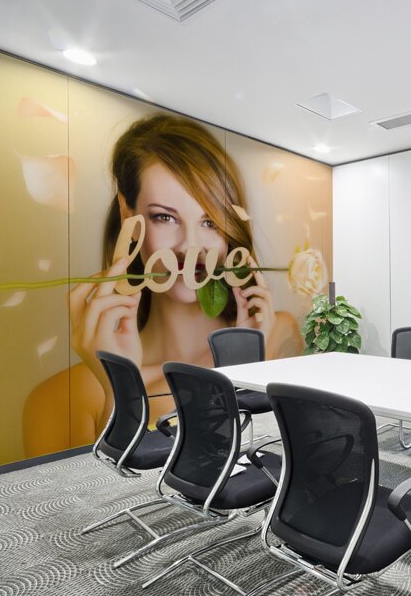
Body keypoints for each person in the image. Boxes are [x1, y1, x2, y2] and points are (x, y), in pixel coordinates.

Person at [23, 114, 301, 457]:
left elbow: (280, 456)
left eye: (210, 221)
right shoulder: (58, 400)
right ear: (127, 214)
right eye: (165, 217)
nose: (190, 245)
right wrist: (118, 389)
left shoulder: (276, 334)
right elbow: (96, 490)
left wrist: (245, 364)